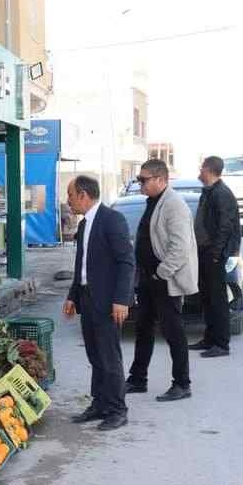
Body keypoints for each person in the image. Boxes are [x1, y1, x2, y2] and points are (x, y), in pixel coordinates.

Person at [63, 175, 135, 431]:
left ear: (83, 195)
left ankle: (117, 409)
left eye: (70, 195)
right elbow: (80, 265)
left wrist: (121, 299)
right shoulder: (84, 225)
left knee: (109, 356)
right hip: (87, 298)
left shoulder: (112, 219)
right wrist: (73, 295)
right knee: (95, 355)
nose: (68, 201)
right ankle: (99, 404)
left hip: (107, 302)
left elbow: (126, 262)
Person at [125, 159, 198, 402]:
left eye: (143, 179)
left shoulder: (174, 205)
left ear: (160, 179)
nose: (140, 184)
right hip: (148, 279)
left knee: (173, 331)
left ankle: (182, 383)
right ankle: (137, 379)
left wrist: (161, 273)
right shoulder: (154, 201)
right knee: (143, 329)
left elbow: (180, 247)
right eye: (139, 179)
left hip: (165, 280)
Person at [190, 156, 240, 358]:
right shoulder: (209, 192)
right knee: (207, 298)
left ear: (208, 170)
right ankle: (210, 338)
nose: (199, 171)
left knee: (217, 300)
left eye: (201, 168)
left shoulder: (222, 193)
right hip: (204, 253)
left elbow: (226, 227)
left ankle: (221, 344)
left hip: (214, 255)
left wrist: (216, 254)